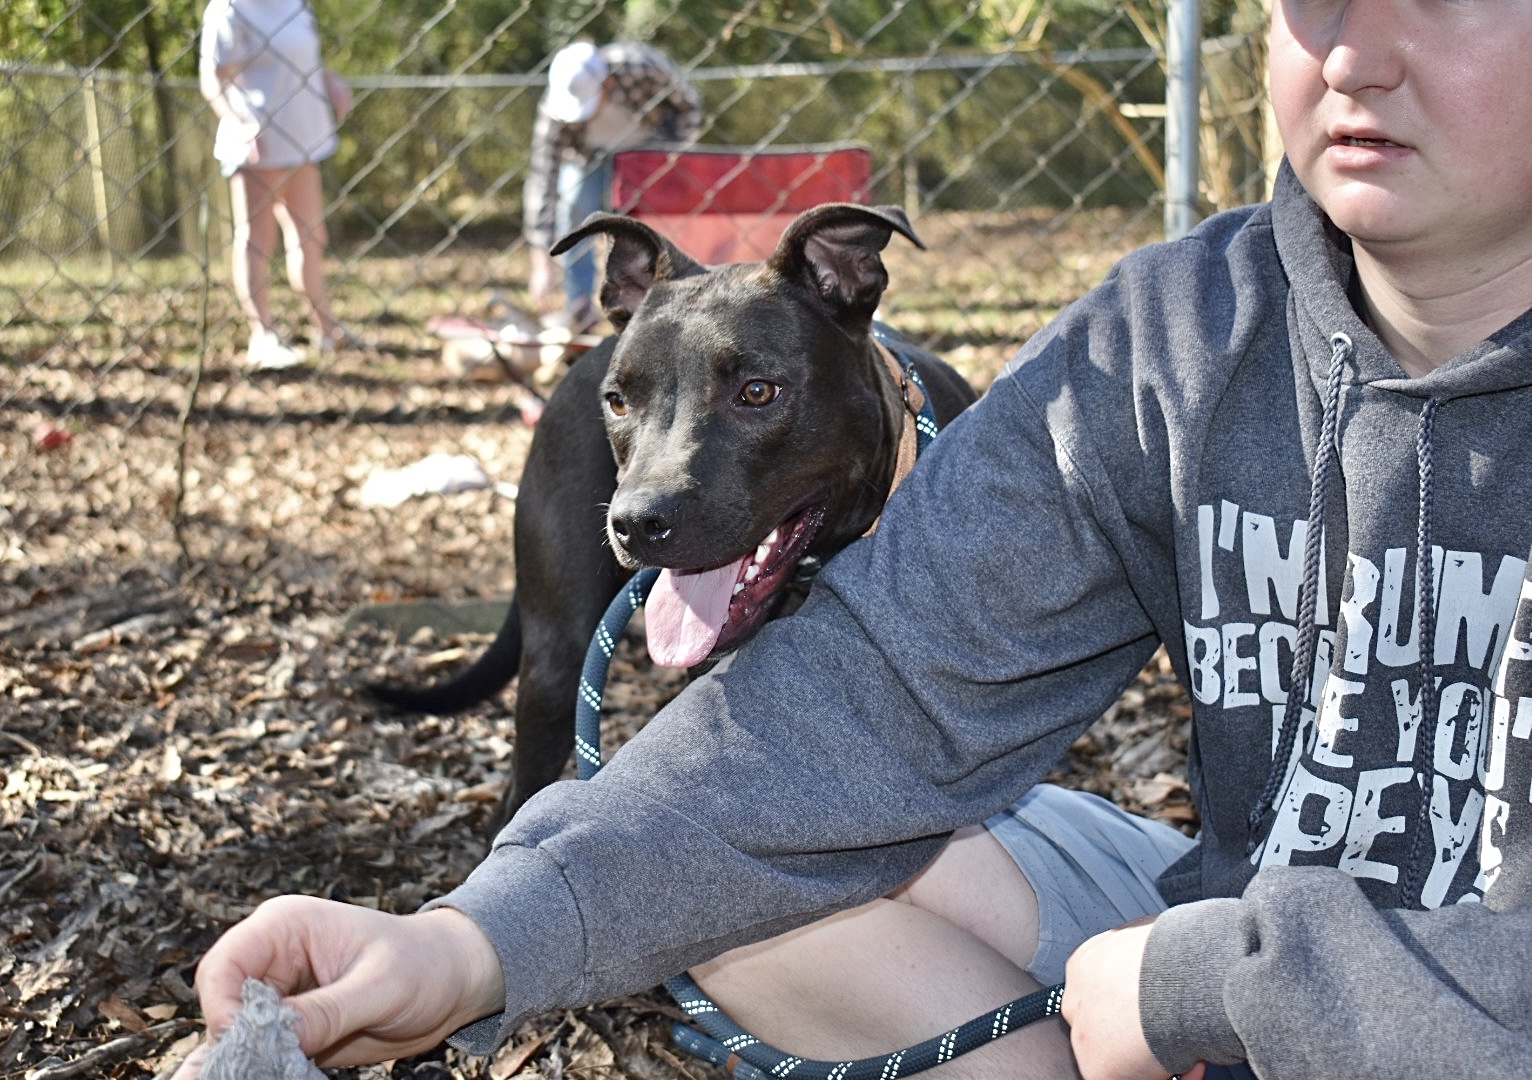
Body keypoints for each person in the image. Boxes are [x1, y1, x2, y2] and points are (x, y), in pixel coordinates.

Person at [179, 3, 1532, 1078]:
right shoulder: (1179, 340)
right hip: (1254, 917)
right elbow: (860, 705)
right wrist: (470, 940)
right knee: (757, 866)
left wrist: (1214, 985)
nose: (1356, 53)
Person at [199, 0, 357, 370]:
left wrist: (328, 79)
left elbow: (303, 62)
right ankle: (263, 335)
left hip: (305, 138)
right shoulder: (229, 8)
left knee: (311, 237)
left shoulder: (296, 4)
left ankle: (327, 329)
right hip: (260, 144)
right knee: (258, 239)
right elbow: (213, 79)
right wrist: (240, 123)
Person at [523, 41, 702, 332]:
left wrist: (672, 153)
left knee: (655, 226)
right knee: (574, 209)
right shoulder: (553, 111)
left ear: (607, 82)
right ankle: (580, 311)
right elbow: (544, 176)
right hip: (587, 156)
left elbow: (688, 102)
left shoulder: (642, 67)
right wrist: (541, 260)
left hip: (647, 150)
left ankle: (667, 303)